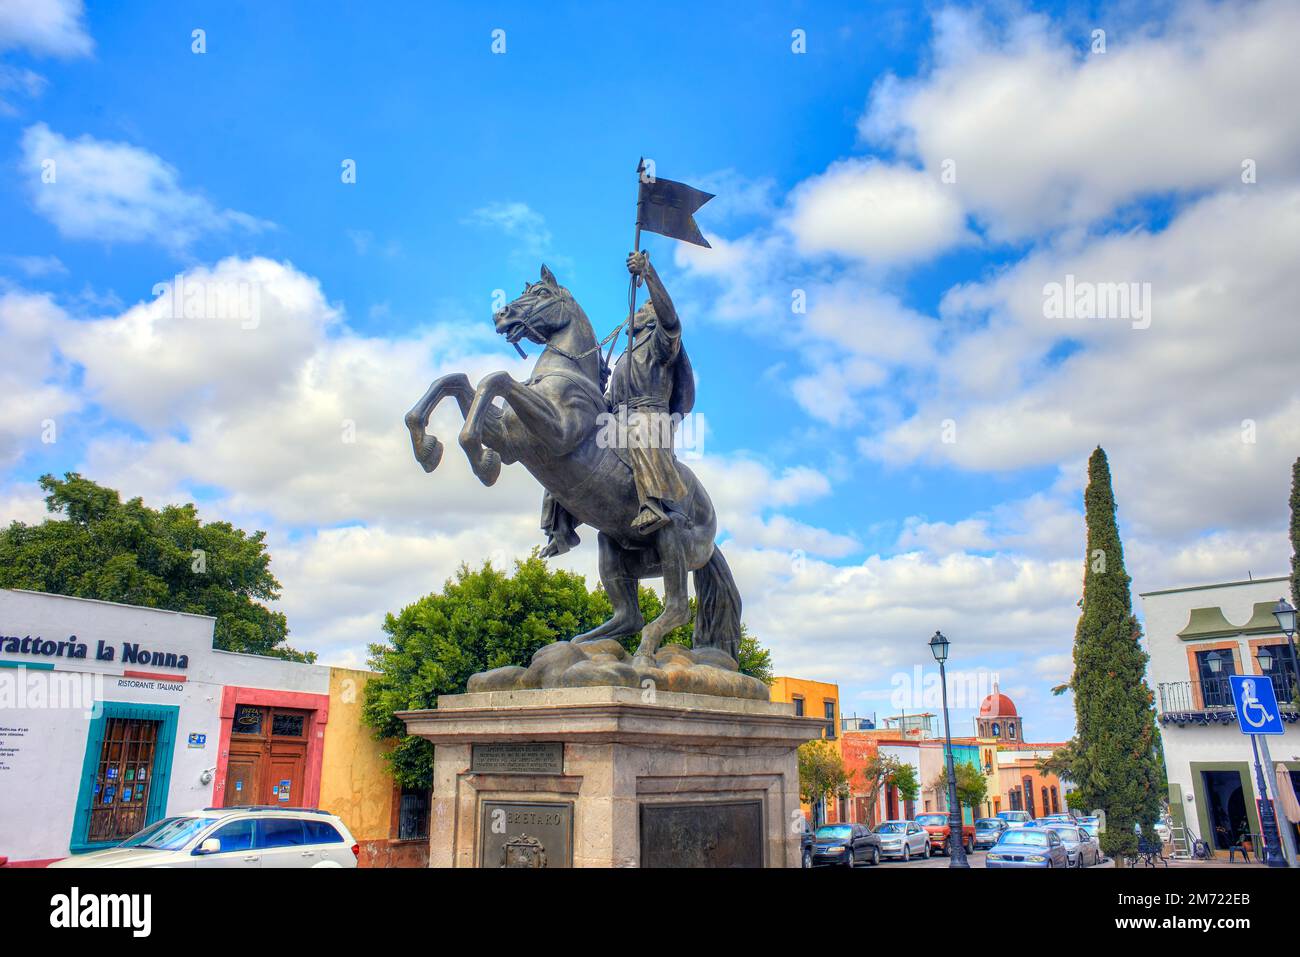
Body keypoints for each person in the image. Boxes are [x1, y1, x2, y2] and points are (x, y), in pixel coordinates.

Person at [609, 249, 694, 533]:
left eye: (645, 306)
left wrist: (649, 274)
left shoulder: (660, 344)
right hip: (615, 420)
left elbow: (671, 320)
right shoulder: (625, 356)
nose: (637, 309)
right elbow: (608, 400)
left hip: (649, 417)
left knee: (639, 426)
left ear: (651, 318)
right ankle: (561, 523)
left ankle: (652, 505)